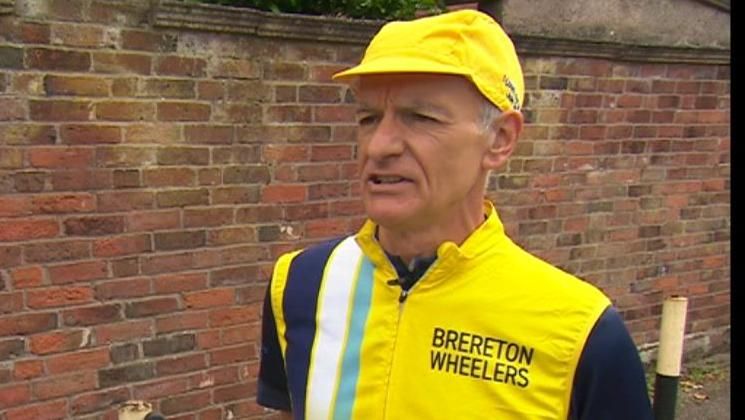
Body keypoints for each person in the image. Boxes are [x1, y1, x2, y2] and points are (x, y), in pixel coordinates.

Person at [257, 9, 653, 420]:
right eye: (368, 118)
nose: (379, 146)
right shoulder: (301, 284)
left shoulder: (583, 334)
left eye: (420, 118)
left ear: (500, 139)